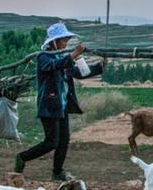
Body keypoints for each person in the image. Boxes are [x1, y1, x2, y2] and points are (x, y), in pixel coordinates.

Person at [14, 22, 104, 180]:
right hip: (48, 106)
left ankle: (57, 172)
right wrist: (73, 55)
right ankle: (22, 157)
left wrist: (100, 67)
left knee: (64, 141)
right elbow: (54, 66)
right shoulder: (43, 57)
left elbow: (78, 72)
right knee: (51, 142)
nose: (66, 43)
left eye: (66, 40)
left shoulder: (62, 58)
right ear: (53, 42)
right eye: (63, 40)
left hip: (61, 106)